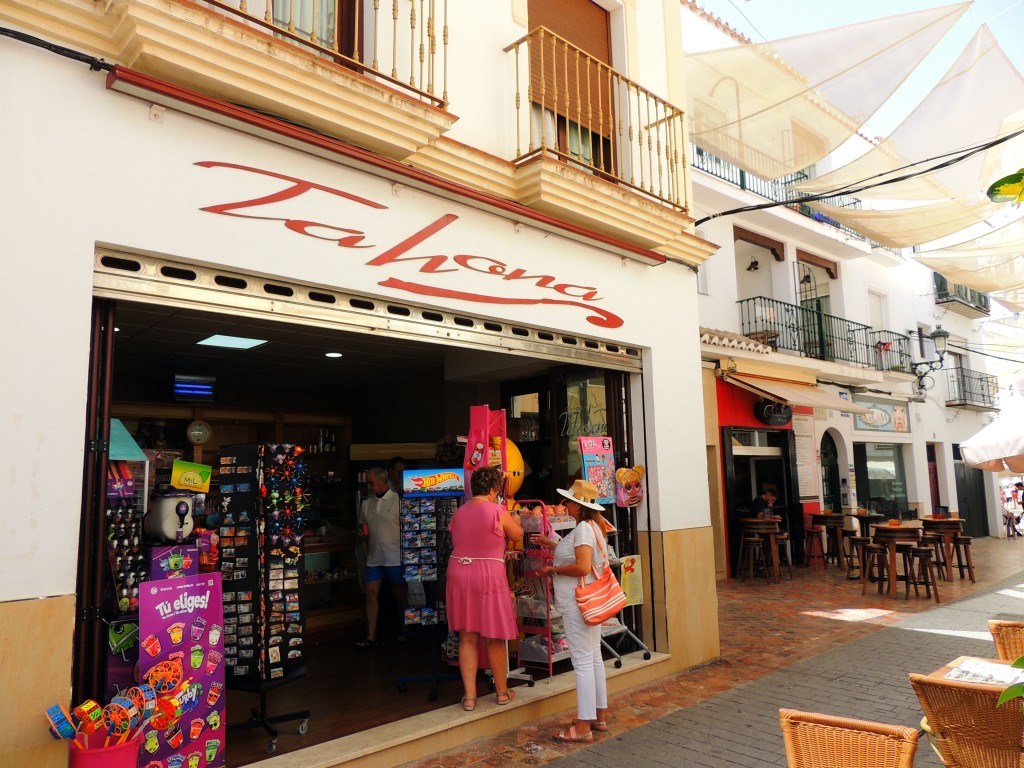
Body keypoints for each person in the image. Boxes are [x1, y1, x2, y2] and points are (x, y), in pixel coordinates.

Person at [535, 479, 610, 742]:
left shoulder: (583, 529)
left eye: (568, 501)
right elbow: (579, 557)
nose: (565, 504)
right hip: (587, 602)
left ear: (578, 505)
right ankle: (598, 715)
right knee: (593, 656)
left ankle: (583, 726)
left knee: (583, 661)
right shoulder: (592, 527)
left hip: (578, 602)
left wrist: (553, 570)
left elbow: (582, 566)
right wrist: (553, 545)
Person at [445, 465, 523, 711]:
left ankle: (470, 697)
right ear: (492, 489)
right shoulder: (498, 511)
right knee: (494, 636)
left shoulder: (459, 513)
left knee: (467, 637)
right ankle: (502, 693)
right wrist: (516, 520)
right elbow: (517, 535)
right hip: (488, 573)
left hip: (459, 572)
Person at [355, 466, 405, 649]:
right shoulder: (366, 504)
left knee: (400, 594)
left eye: (371, 482)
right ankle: (371, 636)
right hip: (374, 557)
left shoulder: (398, 501)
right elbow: (362, 526)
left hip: (395, 556)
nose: (369, 486)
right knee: (370, 594)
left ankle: (404, 629)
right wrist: (362, 533)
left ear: (383, 480)